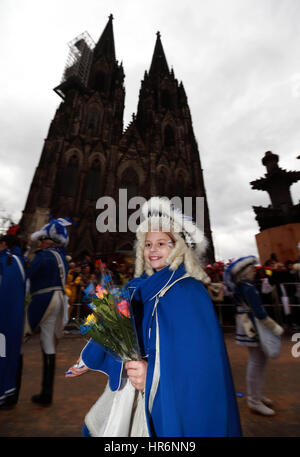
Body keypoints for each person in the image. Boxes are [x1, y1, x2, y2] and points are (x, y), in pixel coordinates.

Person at [66, 197, 242, 437]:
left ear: (178, 246)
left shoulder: (188, 290)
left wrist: (153, 375)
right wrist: (87, 358)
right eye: (148, 244)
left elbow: (199, 362)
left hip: (166, 396)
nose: (153, 250)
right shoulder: (138, 287)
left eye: (161, 243)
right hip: (134, 388)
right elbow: (118, 325)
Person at [224, 256, 284, 416]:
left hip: (245, 324)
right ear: (244, 272)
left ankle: (256, 395)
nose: (254, 271)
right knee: (257, 362)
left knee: (257, 362)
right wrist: (275, 327)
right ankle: (254, 400)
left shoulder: (240, 286)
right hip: (252, 325)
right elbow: (259, 312)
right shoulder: (248, 287)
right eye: (251, 268)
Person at [24, 215, 71, 405]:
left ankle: (10, 390)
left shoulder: (43, 256)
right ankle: (46, 394)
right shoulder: (63, 258)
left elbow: (28, 278)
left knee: (18, 335)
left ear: (48, 241)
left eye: (43, 240)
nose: (41, 244)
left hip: (44, 298)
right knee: (48, 342)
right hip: (59, 299)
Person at [0, 234, 26, 408]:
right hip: (16, 318)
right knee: (12, 353)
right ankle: (11, 395)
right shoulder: (19, 261)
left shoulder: (4, 262)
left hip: (4, 318)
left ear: (3, 244)